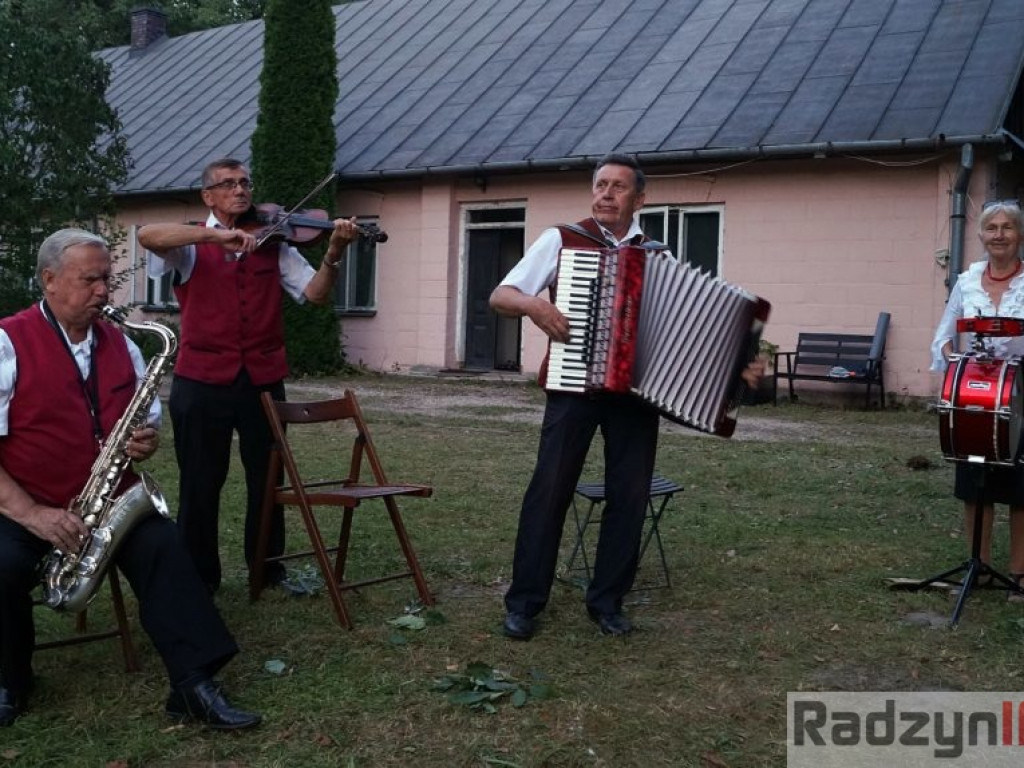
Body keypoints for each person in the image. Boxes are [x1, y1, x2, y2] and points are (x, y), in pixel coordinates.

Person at [490, 154, 763, 639]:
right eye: (600, 185)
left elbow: (691, 329)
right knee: (548, 491)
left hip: (638, 395)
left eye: (618, 187)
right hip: (574, 386)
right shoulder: (562, 239)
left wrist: (738, 365)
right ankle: (525, 602)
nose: (606, 194)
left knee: (630, 497)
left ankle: (607, 602)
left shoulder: (657, 256)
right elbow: (500, 295)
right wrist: (534, 304)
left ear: (640, 198)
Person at [0, 229, 260, 728]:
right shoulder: (7, 341)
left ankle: (193, 684)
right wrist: (32, 514)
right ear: (49, 280)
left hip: (105, 499)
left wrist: (146, 442)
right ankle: (9, 679)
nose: (104, 292)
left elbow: (146, 424)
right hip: (23, 502)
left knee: (166, 545)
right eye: (90, 280)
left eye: (108, 279)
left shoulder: (127, 345)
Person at [138, 158, 359, 594]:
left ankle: (267, 569)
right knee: (201, 481)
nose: (241, 191)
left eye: (245, 183)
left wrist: (334, 253)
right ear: (208, 196)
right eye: (228, 184)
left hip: (261, 377)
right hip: (201, 379)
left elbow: (314, 294)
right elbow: (147, 234)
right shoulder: (188, 246)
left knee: (267, 477)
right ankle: (200, 577)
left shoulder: (273, 241)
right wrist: (215, 235)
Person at [931, 199, 1024, 600]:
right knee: (974, 478)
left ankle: (1020, 574)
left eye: (1008, 227)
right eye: (992, 228)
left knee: (1022, 485)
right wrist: (951, 354)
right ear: (982, 235)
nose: (999, 234)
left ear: (1019, 235)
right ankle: (980, 566)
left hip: (1023, 387)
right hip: (976, 387)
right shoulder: (967, 281)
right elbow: (945, 332)